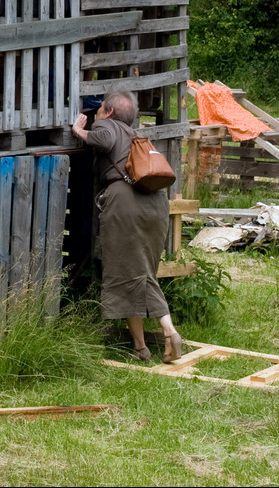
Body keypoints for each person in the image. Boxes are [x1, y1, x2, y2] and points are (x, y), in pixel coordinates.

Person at [71, 90, 185, 364]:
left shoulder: (107, 125)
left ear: (109, 112)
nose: (94, 115)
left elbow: (102, 139)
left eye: (98, 111)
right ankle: (141, 347)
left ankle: (166, 332)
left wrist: (79, 131)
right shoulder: (137, 138)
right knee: (141, 271)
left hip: (126, 204)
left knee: (125, 270)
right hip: (155, 204)